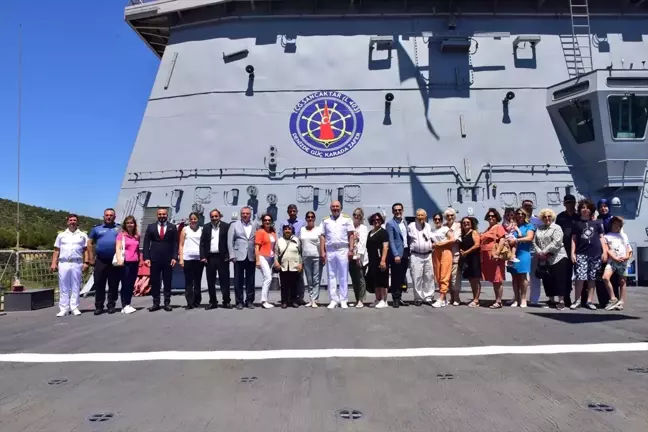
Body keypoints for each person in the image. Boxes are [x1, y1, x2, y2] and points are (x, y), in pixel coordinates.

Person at [570, 199, 607, 310]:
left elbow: (601, 238)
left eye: (587, 208)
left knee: (592, 278)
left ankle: (589, 301)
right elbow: (573, 239)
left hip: (595, 253)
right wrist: (573, 253)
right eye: (583, 207)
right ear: (580, 210)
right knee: (580, 277)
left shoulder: (596, 223)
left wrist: (604, 251)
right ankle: (577, 300)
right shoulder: (576, 224)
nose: (585, 210)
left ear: (591, 210)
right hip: (581, 253)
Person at [51, 214, 89, 317]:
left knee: (76, 285)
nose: (72, 222)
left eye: (74, 220)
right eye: (70, 220)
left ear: (77, 222)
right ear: (67, 222)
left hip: (77, 262)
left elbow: (86, 250)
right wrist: (54, 263)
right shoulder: (61, 235)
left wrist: (86, 262)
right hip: (63, 262)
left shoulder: (83, 235)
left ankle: (74, 307)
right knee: (64, 286)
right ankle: (63, 308)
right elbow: (56, 250)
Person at [319, 200, 355, 309]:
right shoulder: (326, 220)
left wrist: (351, 249)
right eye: (333, 206)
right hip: (330, 250)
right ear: (330, 208)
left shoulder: (347, 219)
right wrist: (322, 252)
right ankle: (333, 300)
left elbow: (351, 235)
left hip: (343, 249)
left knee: (343, 275)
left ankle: (343, 300)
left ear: (341, 207)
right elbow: (322, 236)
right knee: (331, 275)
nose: (335, 208)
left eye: (337, 206)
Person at [143, 207, 178, 312]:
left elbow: (175, 243)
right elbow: (146, 243)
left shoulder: (172, 227)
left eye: (164, 214)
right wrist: (146, 257)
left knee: (167, 281)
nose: (162, 216)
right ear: (157, 215)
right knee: (155, 282)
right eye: (160, 214)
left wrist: (174, 257)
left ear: (167, 215)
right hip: (154, 259)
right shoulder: (151, 227)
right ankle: (156, 303)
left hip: (168, 259)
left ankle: (167, 303)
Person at [533, 208, 569, 310]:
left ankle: (561, 301)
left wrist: (544, 252)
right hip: (545, 259)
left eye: (549, 216)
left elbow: (557, 242)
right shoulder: (539, 228)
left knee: (559, 279)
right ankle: (551, 300)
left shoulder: (557, 228)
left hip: (558, 257)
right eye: (544, 217)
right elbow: (534, 242)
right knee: (547, 279)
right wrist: (539, 252)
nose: (547, 218)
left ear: (552, 217)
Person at [88, 208, 121, 315]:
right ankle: (99, 306)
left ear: (114, 217)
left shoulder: (119, 229)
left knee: (114, 284)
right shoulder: (97, 229)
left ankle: (111, 305)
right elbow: (89, 243)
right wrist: (90, 258)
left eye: (111, 215)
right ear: (104, 217)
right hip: (100, 260)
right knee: (99, 284)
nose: (109, 217)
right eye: (107, 215)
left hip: (114, 261)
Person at [199, 209, 231, 309]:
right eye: (212, 217)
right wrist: (203, 256)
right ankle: (213, 302)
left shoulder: (226, 226)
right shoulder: (206, 227)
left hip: (222, 258)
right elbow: (202, 243)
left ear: (219, 216)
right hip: (210, 258)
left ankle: (226, 301)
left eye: (216, 216)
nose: (214, 218)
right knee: (211, 281)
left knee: (224, 281)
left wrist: (228, 255)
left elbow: (229, 242)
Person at [227, 206, 257, 310]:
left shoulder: (255, 225)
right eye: (243, 213)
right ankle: (239, 301)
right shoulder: (234, 225)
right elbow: (230, 241)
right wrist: (232, 255)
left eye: (247, 213)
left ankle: (249, 301)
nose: (245, 215)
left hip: (251, 255)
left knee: (251, 280)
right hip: (238, 256)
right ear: (241, 214)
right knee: (238, 281)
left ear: (250, 214)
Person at [507, 208, 536, 308]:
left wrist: (517, 240)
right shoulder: (513, 226)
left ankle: (523, 298)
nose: (520, 215)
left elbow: (529, 238)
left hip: (524, 253)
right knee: (514, 277)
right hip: (512, 254)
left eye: (522, 214)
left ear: (525, 216)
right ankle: (516, 298)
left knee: (523, 277)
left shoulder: (529, 226)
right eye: (518, 214)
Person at [555, 194, 579, 307]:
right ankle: (566, 297)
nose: (570, 204)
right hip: (564, 249)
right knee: (566, 275)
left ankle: (581, 299)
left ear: (575, 203)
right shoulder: (560, 217)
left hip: (579, 249)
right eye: (568, 202)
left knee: (580, 275)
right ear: (564, 204)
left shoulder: (579, 216)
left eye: (572, 202)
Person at [602, 216, 631, 310]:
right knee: (605, 277)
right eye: (615, 224)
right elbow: (607, 249)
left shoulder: (624, 236)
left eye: (619, 225)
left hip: (623, 261)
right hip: (612, 261)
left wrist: (627, 257)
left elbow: (628, 248)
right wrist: (614, 257)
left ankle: (621, 302)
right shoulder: (607, 236)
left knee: (622, 281)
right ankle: (613, 298)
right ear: (611, 225)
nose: (616, 226)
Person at [280, 204, 306, 305]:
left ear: (296, 212)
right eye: (290, 211)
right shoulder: (284, 223)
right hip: (286, 251)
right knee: (285, 280)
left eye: (294, 211)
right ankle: (287, 299)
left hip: (297, 250)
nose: (292, 213)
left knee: (298, 278)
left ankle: (298, 298)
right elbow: (280, 236)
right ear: (288, 212)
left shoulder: (302, 223)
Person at [481, 208, 507, 309]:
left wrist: (497, 253)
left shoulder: (498, 227)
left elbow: (502, 240)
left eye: (493, 216)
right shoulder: (488, 228)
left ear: (497, 218)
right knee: (494, 280)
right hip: (488, 258)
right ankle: (497, 299)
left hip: (495, 257)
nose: (491, 218)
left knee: (497, 279)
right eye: (489, 216)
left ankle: (499, 301)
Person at [407, 209, 435, 306]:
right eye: (418, 215)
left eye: (422, 215)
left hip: (428, 255)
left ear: (425, 216)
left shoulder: (428, 226)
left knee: (429, 277)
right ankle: (418, 298)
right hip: (416, 255)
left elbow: (432, 238)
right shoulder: (411, 226)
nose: (420, 217)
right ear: (415, 217)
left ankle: (428, 297)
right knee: (417, 277)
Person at [115, 215, 140, 314]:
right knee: (125, 284)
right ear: (125, 224)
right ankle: (124, 305)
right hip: (125, 262)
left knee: (131, 284)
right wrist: (119, 260)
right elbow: (118, 247)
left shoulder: (136, 236)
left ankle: (128, 304)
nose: (130, 225)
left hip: (135, 261)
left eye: (132, 223)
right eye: (128, 223)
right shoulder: (121, 235)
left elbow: (137, 248)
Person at [386, 202, 409, 308]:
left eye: (399, 210)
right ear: (393, 212)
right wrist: (395, 255)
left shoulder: (404, 222)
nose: (397, 212)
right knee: (395, 277)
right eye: (395, 210)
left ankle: (399, 298)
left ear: (402, 210)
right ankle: (395, 298)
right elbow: (391, 241)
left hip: (405, 252)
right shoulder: (390, 224)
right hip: (397, 254)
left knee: (401, 277)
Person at [179, 212, 204, 309]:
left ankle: (197, 301)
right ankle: (190, 302)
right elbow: (181, 245)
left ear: (198, 220)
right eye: (191, 219)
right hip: (187, 259)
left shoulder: (202, 230)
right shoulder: (185, 230)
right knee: (189, 282)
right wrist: (181, 259)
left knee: (197, 281)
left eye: (195, 219)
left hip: (199, 259)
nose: (193, 221)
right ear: (189, 220)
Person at [274, 224, 303, 308]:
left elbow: (300, 253)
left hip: (295, 266)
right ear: (283, 231)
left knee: (294, 285)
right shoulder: (279, 241)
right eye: (285, 229)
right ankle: (284, 301)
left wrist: (300, 263)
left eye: (289, 229)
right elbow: (276, 253)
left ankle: (294, 301)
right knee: (284, 285)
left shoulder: (297, 240)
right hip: (283, 266)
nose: (287, 230)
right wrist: (276, 262)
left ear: (292, 231)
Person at [430, 212, 455, 308]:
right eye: (435, 219)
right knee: (438, 275)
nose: (437, 221)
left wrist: (441, 244)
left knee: (444, 275)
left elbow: (452, 239)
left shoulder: (445, 229)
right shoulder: (433, 231)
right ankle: (444, 299)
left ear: (441, 220)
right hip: (436, 253)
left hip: (445, 252)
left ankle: (441, 298)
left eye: (439, 219)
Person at [366, 213, 390, 308]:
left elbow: (385, 247)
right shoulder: (370, 233)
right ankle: (378, 299)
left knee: (382, 280)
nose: (376, 221)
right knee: (375, 280)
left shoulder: (384, 233)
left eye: (378, 219)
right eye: (374, 220)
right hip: (372, 260)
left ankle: (384, 300)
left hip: (381, 259)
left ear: (381, 221)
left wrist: (383, 260)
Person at [522, 199, 543, 306]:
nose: (527, 207)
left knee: (534, 277)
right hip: (521, 251)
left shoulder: (538, 220)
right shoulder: (518, 220)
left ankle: (534, 299)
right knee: (520, 276)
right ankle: (519, 297)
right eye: (525, 205)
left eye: (529, 206)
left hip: (534, 251)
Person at [300, 211, 323, 307]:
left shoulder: (318, 229)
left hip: (316, 256)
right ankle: (311, 299)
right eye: (308, 217)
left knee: (316, 279)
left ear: (314, 218)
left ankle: (315, 299)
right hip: (306, 257)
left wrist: (323, 254)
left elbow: (322, 242)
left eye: (312, 217)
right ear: (306, 219)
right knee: (309, 279)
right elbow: (300, 244)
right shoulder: (302, 229)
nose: (310, 218)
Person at [255, 213, 277, 309]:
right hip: (262, 256)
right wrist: (257, 260)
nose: (267, 222)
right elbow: (256, 247)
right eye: (265, 220)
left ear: (271, 221)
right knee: (268, 278)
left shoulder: (273, 232)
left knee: (267, 278)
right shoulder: (260, 232)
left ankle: (266, 299)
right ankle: (264, 301)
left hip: (271, 257)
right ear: (263, 222)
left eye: (269, 220)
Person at [458, 216, 481, 307]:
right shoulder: (463, 234)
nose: (466, 224)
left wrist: (466, 252)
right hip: (467, 259)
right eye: (464, 222)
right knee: (471, 279)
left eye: (468, 222)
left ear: (471, 224)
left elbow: (477, 245)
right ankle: (474, 297)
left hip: (474, 258)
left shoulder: (473, 232)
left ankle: (476, 300)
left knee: (475, 279)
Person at [349, 208, 368, 308]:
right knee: (354, 279)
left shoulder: (363, 228)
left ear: (361, 216)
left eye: (358, 215)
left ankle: (361, 300)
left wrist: (357, 257)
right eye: (355, 214)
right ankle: (357, 300)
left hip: (359, 257)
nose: (356, 216)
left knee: (360, 278)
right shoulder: (351, 227)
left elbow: (362, 244)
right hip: (350, 257)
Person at [444, 208, 462, 306]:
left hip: (455, 254)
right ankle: (451, 297)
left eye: (451, 215)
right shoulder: (444, 227)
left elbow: (456, 239)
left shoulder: (458, 226)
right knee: (449, 278)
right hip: (446, 255)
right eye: (447, 216)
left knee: (455, 277)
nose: (450, 217)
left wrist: (447, 241)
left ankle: (456, 297)